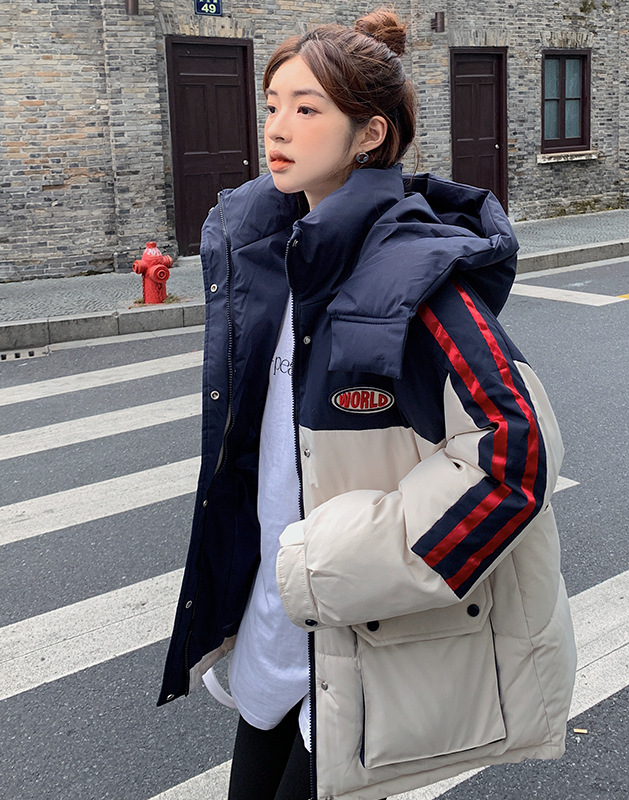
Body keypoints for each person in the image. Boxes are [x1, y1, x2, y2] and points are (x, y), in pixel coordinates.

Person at [158, 9, 576, 800]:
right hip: (280, 625)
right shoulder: (274, 258)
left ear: (370, 134)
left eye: (307, 108)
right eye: (272, 104)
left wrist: (341, 564)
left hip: (360, 633)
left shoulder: (413, 275)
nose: (278, 127)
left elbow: (518, 453)